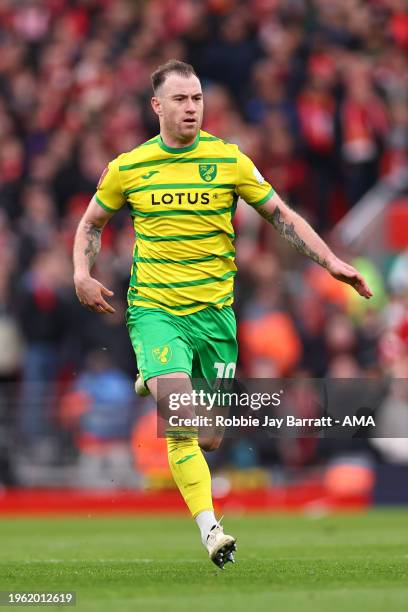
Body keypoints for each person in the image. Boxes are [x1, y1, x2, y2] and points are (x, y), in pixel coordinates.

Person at [73, 59, 372, 569]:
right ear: (157, 106)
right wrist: (81, 271)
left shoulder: (229, 161)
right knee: (182, 418)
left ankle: (158, 378)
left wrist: (332, 262)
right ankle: (210, 528)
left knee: (210, 433)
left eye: (197, 99)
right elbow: (91, 223)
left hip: (215, 316)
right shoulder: (129, 167)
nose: (191, 108)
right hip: (155, 308)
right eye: (180, 100)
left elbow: (281, 215)